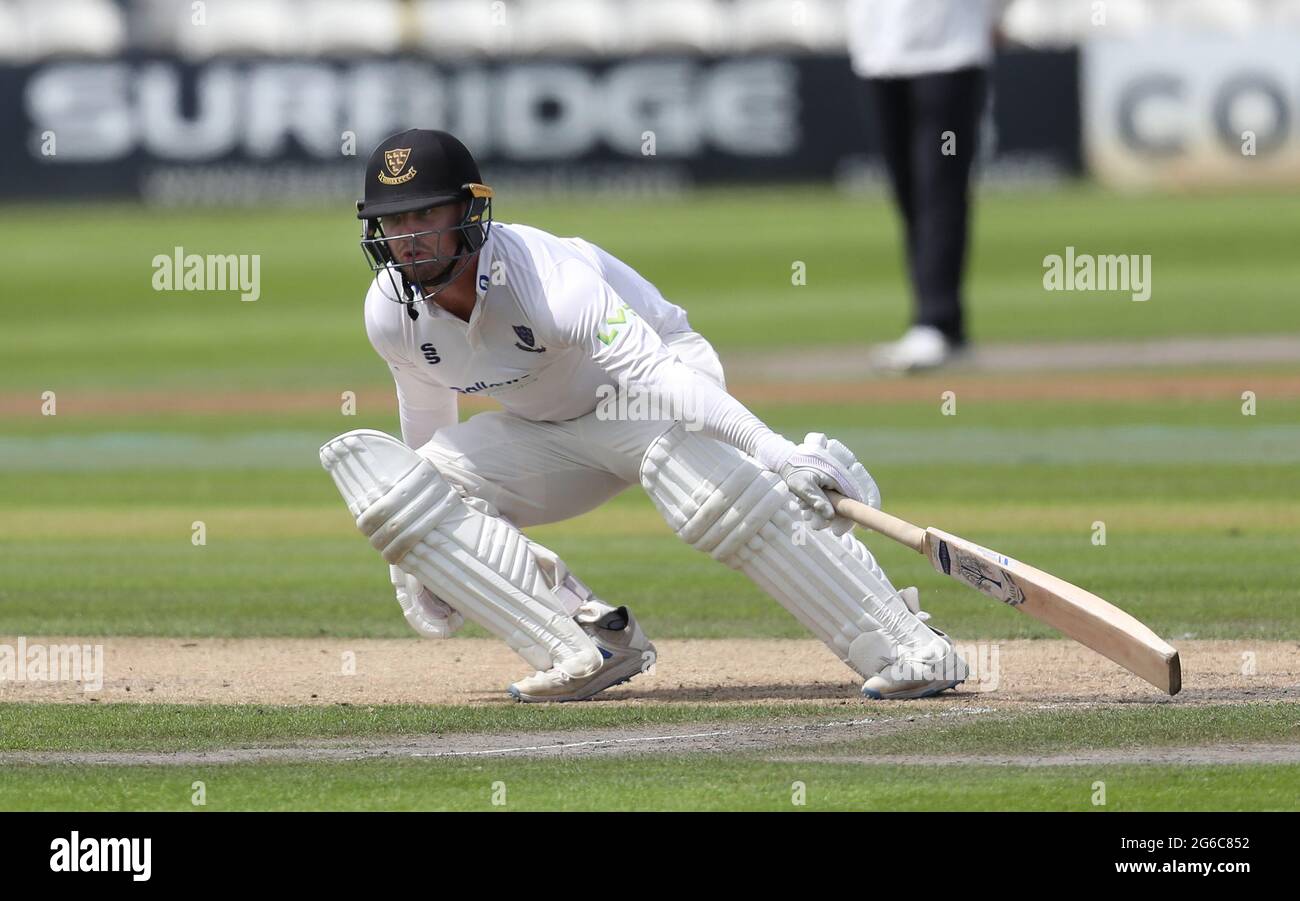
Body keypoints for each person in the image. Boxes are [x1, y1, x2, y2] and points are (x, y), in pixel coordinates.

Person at [320, 128, 967, 702]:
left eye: (425, 214)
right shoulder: (389, 312)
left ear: (469, 210)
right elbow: (432, 430)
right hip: (551, 435)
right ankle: (590, 641)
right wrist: (429, 554)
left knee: (705, 497)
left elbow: (658, 374)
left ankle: (907, 643)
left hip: (646, 394)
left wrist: (773, 451)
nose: (408, 238)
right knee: (410, 490)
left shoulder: (547, 279)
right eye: (394, 221)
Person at [848, 0, 1005, 371]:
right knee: (909, 192)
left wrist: (994, 16)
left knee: (940, 188)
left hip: (950, 51)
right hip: (877, 52)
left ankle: (935, 321)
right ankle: (946, 327)